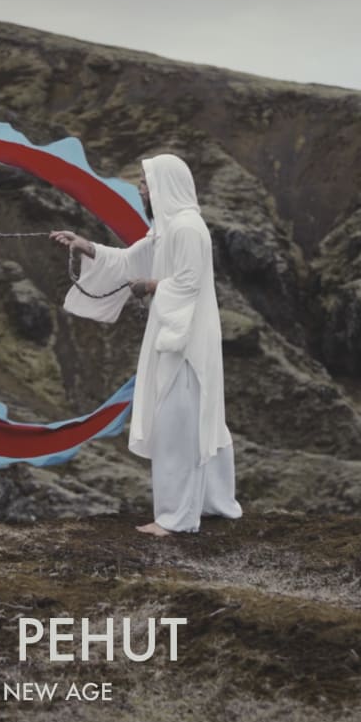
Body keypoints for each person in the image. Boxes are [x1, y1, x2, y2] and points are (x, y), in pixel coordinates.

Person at [50, 154, 242, 536]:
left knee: (179, 424)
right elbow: (128, 261)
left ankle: (175, 518)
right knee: (198, 418)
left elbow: (188, 283)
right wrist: (86, 246)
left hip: (184, 341)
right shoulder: (167, 230)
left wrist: (151, 286)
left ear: (164, 186)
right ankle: (215, 502)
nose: (140, 190)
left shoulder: (187, 228)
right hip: (175, 333)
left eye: (145, 183)